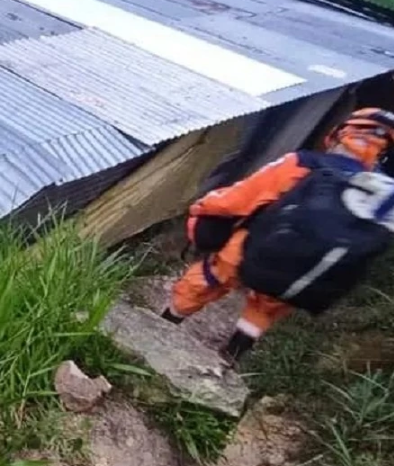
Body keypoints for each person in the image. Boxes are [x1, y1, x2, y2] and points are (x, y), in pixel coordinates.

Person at [161, 108, 394, 363]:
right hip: (305, 269)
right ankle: (231, 355)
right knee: (265, 308)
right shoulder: (379, 195)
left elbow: (238, 198)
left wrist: (202, 212)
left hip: (256, 246)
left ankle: (164, 325)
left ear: (340, 133)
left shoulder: (302, 163)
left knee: (208, 278)